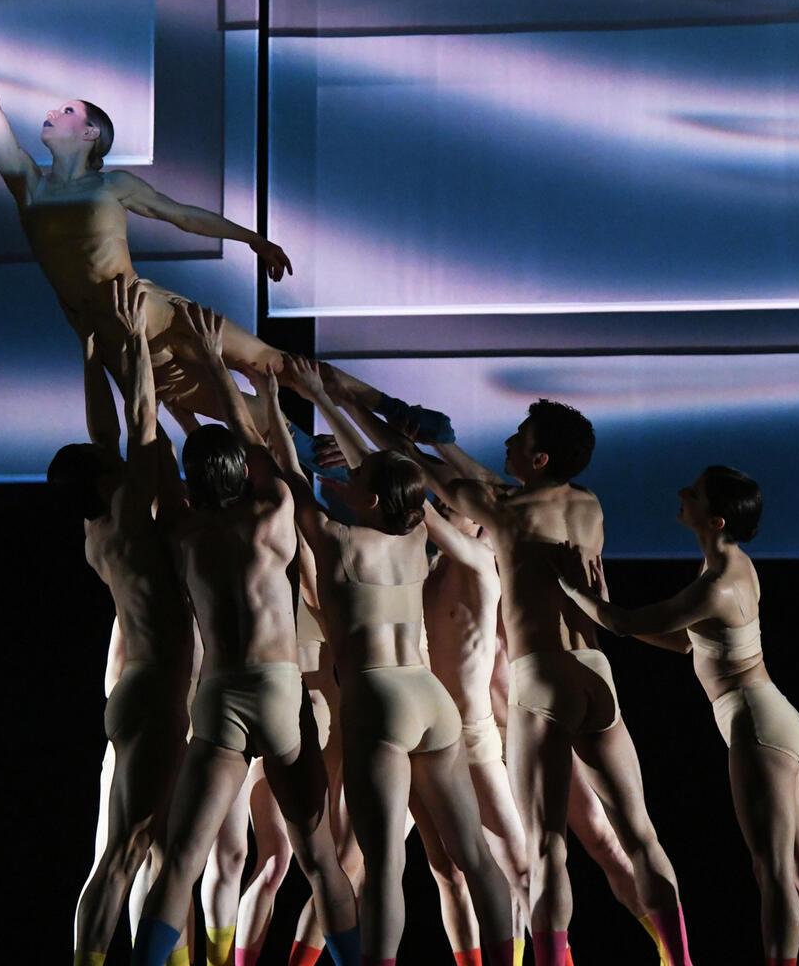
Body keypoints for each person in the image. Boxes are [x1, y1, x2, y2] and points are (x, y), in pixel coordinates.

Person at [325, 375, 696, 966]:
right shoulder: (586, 506)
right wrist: (438, 443)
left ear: (539, 455)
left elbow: (423, 482)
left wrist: (355, 410)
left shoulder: (501, 516)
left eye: (519, 436)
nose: (508, 441)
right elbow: (487, 485)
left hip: (541, 676)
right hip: (595, 670)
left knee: (546, 848)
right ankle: (681, 959)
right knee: (637, 835)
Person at [0, 0, 356, 430]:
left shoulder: (113, 185)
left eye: (67, 112)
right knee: (248, 418)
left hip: (152, 310)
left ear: (91, 133)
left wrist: (253, 240)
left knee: (271, 363)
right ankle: (332, 462)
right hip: (118, 334)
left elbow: (183, 215)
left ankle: (388, 412)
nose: (52, 113)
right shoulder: (30, 186)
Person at [130, 306, 360, 966]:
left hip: (219, 695)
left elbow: (155, 454)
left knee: (180, 863)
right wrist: (217, 367)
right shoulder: (272, 516)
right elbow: (257, 446)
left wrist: (150, 381)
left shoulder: (184, 530)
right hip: (277, 690)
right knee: (319, 860)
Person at [269, 357, 517, 966]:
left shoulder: (334, 541)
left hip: (377, 700)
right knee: (475, 855)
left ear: (371, 498)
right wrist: (325, 399)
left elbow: (284, 470)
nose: (344, 484)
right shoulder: (416, 537)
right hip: (429, 698)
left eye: (355, 484)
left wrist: (278, 396)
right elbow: (395, 474)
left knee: (382, 868)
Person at [551, 468, 799, 966]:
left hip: (755, 724)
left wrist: (577, 592)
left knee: (772, 870)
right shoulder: (732, 568)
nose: (682, 494)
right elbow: (685, 640)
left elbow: (626, 623)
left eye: (694, 493)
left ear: (716, 518)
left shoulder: (717, 584)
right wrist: (607, 610)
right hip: (773, 717)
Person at [47, 278, 196, 966]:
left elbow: (106, 434)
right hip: (158, 692)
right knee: (128, 850)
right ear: (103, 479)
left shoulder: (97, 531)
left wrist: (88, 353)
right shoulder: (133, 515)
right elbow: (138, 422)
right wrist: (130, 340)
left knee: (158, 848)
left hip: (134, 689)